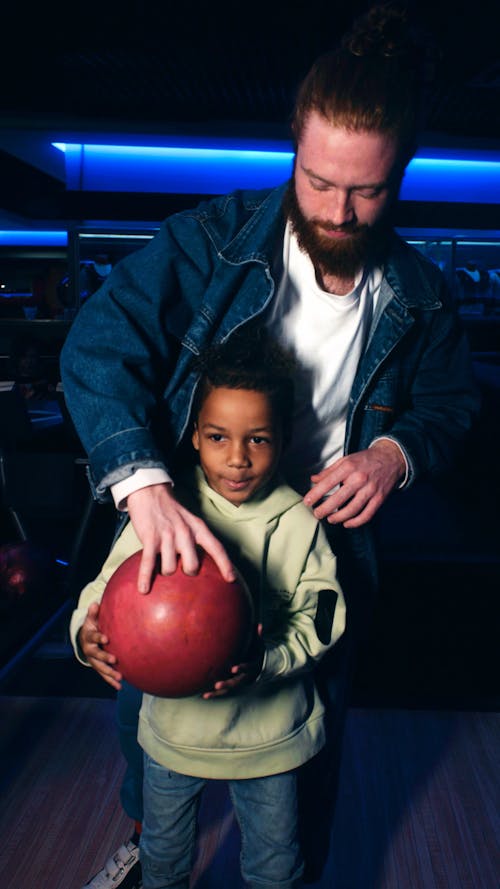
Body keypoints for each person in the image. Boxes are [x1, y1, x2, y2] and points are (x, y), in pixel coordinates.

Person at [61, 3, 479, 886]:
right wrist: (143, 488)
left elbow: (450, 405)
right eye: (319, 180)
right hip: (193, 511)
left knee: (308, 735)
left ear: (401, 171)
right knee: (153, 708)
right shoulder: (209, 241)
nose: (337, 207)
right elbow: (99, 343)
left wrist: (396, 452)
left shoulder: (426, 296)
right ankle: (145, 839)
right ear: (295, 143)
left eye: (366, 191)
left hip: (322, 534)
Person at [70, 333, 346, 889]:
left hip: (268, 736)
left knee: (274, 869)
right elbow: (102, 590)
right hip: (175, 732)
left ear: (286, 440)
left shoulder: (299, 521)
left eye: (259, 440)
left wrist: (267, 659)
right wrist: (86, 633)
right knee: (165, 860)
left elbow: (322, 618)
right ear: (195, 436)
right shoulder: (164, 513)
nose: (238, 458)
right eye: (218, 436)